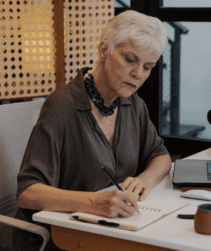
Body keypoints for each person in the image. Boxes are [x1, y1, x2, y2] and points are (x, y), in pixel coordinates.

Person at [13, 10, 171, 251]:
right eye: (130, 59)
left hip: (108, 233)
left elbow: (161, 157)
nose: (138, 74)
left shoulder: (133, 103)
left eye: (147, 67)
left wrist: (144, 180)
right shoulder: (61, 106)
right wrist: (94, 201)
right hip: (60, 239)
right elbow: (28, 193)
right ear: (104, 50)